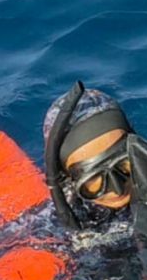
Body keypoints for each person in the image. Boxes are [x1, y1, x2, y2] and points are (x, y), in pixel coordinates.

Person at [42, 84, 134, 228]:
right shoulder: (47, 229)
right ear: (69, 179)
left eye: (124, 164)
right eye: (94, 179)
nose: (117, 189)